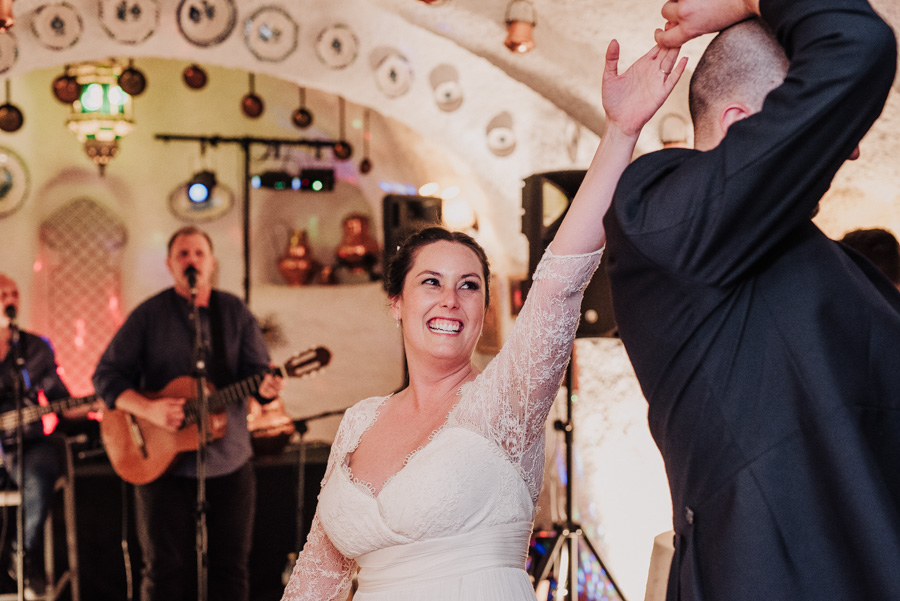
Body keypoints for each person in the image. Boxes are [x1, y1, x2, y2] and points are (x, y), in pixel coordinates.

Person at [281, 40, 687, 601]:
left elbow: (560, 282)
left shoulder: (504, 401)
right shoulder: (358, 422)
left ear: (483, 310)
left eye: (468, 286)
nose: (451, 299)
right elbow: (317, 576)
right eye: (431, 283)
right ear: (396, 302)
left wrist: (620, 132)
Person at [603, 0, 900, 599]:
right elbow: (857, 45)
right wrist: (748, 1)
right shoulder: (660, 211)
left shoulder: (833, 263)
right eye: (814, 116)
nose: (851, 150)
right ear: (740, 126)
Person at [92, 226, 283, 601]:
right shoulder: (148, 316)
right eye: (183, 254)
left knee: (231, 567)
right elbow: (105, 376)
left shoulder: (235, 313)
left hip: (229, 459)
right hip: (162, 464)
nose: (191, 261)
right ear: (170, 264)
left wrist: (265, 388)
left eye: (198, 254)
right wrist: (148, 408)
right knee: (165, 569)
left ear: (211, 263)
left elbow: (258, 373)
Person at [0, 274, 68, 599]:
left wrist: (99, 404)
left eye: (13, 292)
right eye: (1, 293)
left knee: (40, 473)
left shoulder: (35, 348)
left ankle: (23, 554)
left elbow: (59, 398)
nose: (9, 298)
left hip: (27, 444)